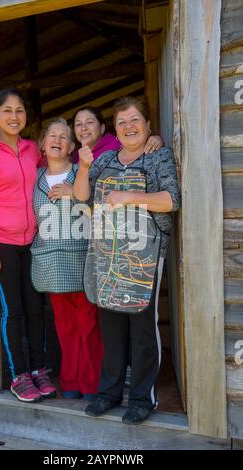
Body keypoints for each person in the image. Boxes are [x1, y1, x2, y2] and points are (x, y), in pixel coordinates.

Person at [73, 96, 181, 425]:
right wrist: (86, 167)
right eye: (122, 122)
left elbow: (170, 200)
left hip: (145, 255)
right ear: (115, 131)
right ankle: (109, 393)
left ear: (148, 125)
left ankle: (142, 398)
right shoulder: (105, 160)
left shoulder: (158, 155)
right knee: (111, 326)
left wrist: (129, 197)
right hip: (108, 254)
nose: (129, 126)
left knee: (143, 327)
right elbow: (81, 195)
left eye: (135, 120)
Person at [0, 88, 56, 403]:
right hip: (1, 243)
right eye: (7, 111)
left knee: (37, 309)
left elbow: (59, 161)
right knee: (13, 311)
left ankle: (39, 370)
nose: (14, 117)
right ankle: (19, 375)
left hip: (32, 242)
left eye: (19, 111)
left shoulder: (33, 150)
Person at [30, 117, 103, 400]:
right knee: (65, 327)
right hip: (51, 263)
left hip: (82, 259)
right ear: (43, 145)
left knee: (89, 325)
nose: (57, 140)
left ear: (72, 146)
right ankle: (71, 382)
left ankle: (92, 383)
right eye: (52, 135)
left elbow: (100, 207)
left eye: (64, 136)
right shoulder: (34, 177)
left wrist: (74, 194)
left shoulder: (82, 171)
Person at [72, 105, 163, 162]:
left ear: (102, 128)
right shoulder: (75, 156)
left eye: (90, 122)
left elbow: (139, 142)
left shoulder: (117, 144)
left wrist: (156, 138)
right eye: (78, 124)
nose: (83, 128)